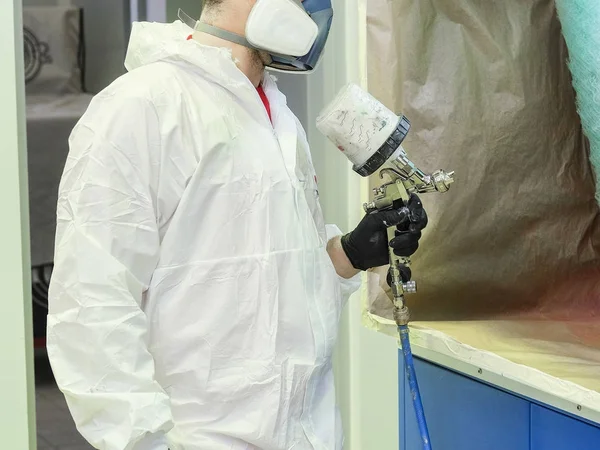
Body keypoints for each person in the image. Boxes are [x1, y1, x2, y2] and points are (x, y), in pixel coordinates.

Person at [47, 1, 427, 449]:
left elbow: (267, 278)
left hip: (309, 433)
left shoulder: (276, 114)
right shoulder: (141, 107)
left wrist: (349, 255)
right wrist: (142, 442)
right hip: (201, 437)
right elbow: (92, 303)